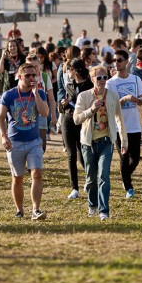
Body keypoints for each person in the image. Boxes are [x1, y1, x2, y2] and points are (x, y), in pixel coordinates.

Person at [73, 65, 127, 220]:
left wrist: (124, 141)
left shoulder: (113, 95)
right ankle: (92, 205)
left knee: (104, 175)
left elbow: (119, 119)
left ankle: (104, 210)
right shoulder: (84, 96)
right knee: (91, 178)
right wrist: (90, 110)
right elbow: (76, 119)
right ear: (92, 79)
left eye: (105, 77)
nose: (102, 81)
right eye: (99, 78)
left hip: (106, 142)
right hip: (88, 143)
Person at [0, 62, 50, 220]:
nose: (31, 78)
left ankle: (36, 209)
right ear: (19, 76)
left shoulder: (39, 93)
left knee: (37, 174)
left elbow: (45, 113)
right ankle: (20, 210)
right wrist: (3, 136)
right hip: (15, 142)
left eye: (34, 75)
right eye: (27, 75)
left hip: (34, 141)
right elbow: (0, 117)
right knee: (17, 178)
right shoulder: (9, 95)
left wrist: (35, 94)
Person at [106, 49, 142, 199]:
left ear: (127, 61)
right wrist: (126, 98)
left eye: (119, 60)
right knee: (124, 156)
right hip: (119, 126)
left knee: (135, 158)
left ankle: (125, 176)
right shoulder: (111, 83)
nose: (116, 63)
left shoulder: (136, 80)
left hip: (134, 123)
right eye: (114, 60)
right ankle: (128, 187)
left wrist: (139, 100)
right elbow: (112, 106)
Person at [58, 58, 92, 199]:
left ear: (75, 70)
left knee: (83, 151)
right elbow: (61, 108)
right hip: (68, 119)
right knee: (71, 154)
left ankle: (89, 179)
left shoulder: (89, 85)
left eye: (69, 69)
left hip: (83, 121)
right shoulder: (69, 84)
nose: (67, 72)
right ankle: (74, 188)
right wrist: (63, 103)